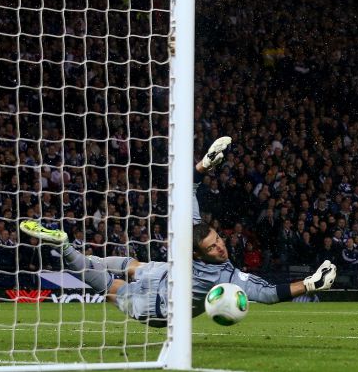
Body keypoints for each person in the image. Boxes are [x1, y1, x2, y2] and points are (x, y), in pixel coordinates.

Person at [20, 137, 337, 327]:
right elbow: (268, 293)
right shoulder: (222, 272)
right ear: (197, 252)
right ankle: (66, 249)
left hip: (162, 287)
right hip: (160, 299)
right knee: (114, 279)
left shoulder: (197, 237)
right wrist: (310, 284)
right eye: (213, 247)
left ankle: (72, 252)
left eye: (218, 241)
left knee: (120, 274)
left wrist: (203, 167)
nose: (221, 248)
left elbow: (188, 189)